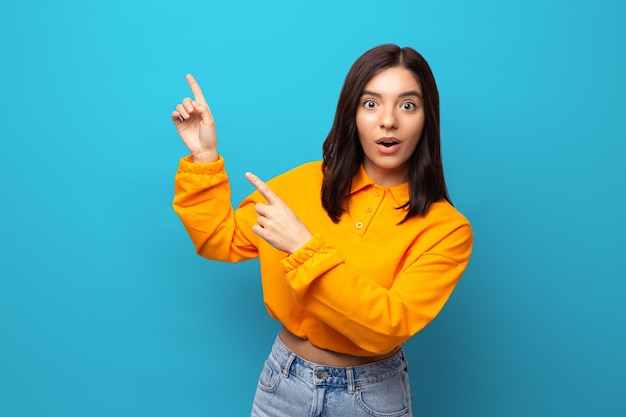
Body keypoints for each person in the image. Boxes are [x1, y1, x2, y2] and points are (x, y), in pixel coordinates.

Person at [171, 44, 473, 417]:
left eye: (407, 105)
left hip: (371, 397)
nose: (389, 121)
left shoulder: (447, 230)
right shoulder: (303, 184)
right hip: (283, 383)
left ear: (427, 118)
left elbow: (389, 325)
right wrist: (204, 157)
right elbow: (220, 238)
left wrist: (304, 247)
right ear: (352, 114)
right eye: (371, 103)